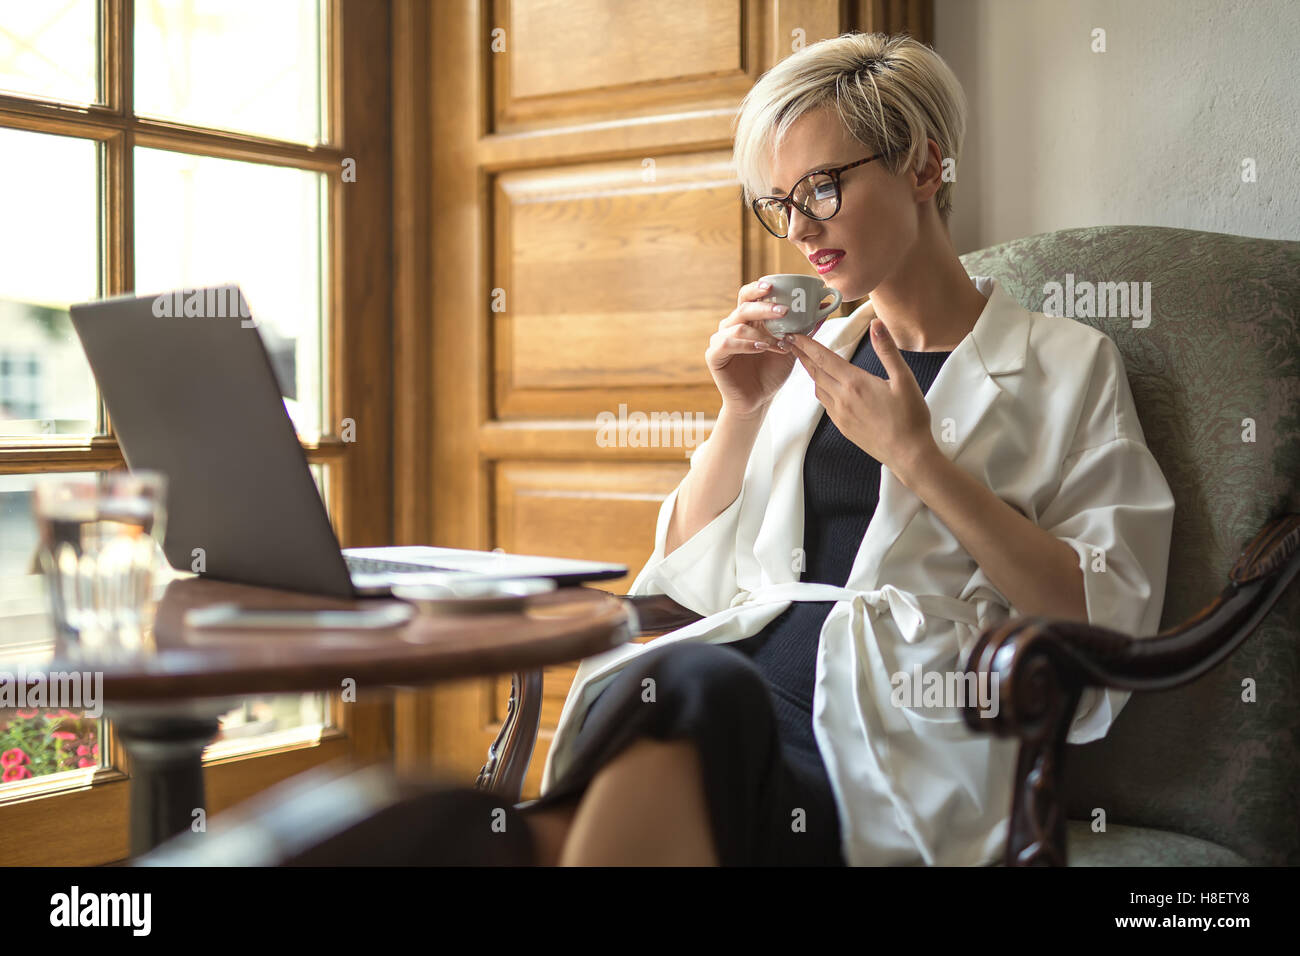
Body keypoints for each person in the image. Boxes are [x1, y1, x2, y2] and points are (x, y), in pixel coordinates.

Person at [421, 31, 1173, 867]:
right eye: (778, 202)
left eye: (821, 187)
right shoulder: (812, 356)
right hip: (729, 690)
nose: (798, 227)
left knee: (677, 708)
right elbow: (685, 583)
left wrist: (919, 459)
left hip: (886, 741)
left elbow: (1103, 617)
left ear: (924, 167)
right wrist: (739, 413)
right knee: (670, 692)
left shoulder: (1068, 363)